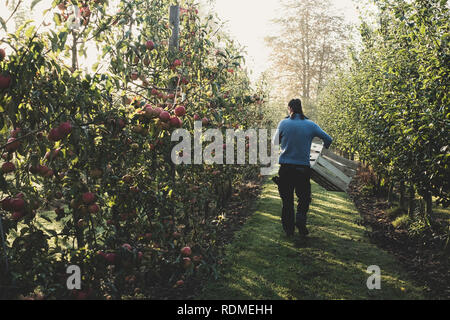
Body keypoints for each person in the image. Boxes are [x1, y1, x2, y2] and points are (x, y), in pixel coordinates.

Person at [273, 99, 333, 237]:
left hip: (286, 168)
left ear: (290, 109)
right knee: (304, 198)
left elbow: (275, 142)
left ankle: (289, 230)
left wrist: (285, 141)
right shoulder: (310, 125)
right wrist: (322, 152)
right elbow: (328, 139)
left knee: (287, 200)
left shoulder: (283, 123)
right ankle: (300, 218)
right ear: (301, 108)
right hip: (302, 169)